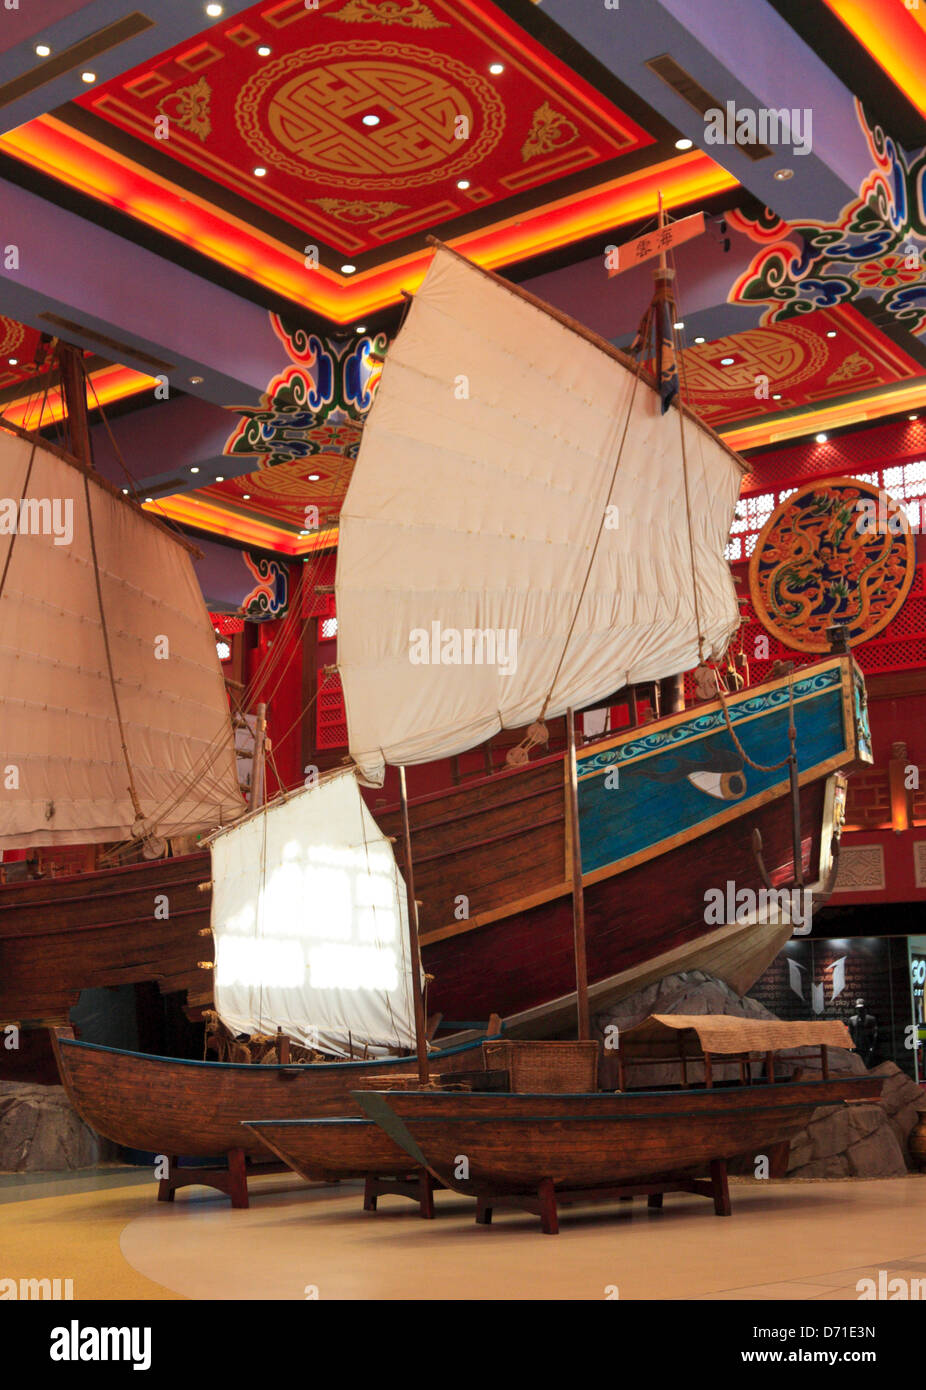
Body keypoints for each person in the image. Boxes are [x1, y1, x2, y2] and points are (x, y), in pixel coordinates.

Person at [848, 997, 878, 1068]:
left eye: (861, 1008)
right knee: (856, 1066)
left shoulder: (871, 1019)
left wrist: (872, 1046)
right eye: (858, 1008)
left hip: (866, 1046)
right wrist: (850, 1046)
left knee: (867, 1066)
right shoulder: (852, 1019)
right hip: (856, 1046)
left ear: (864, 1008)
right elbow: (849, 1034)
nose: (859, 1010)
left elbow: (874, 1034)